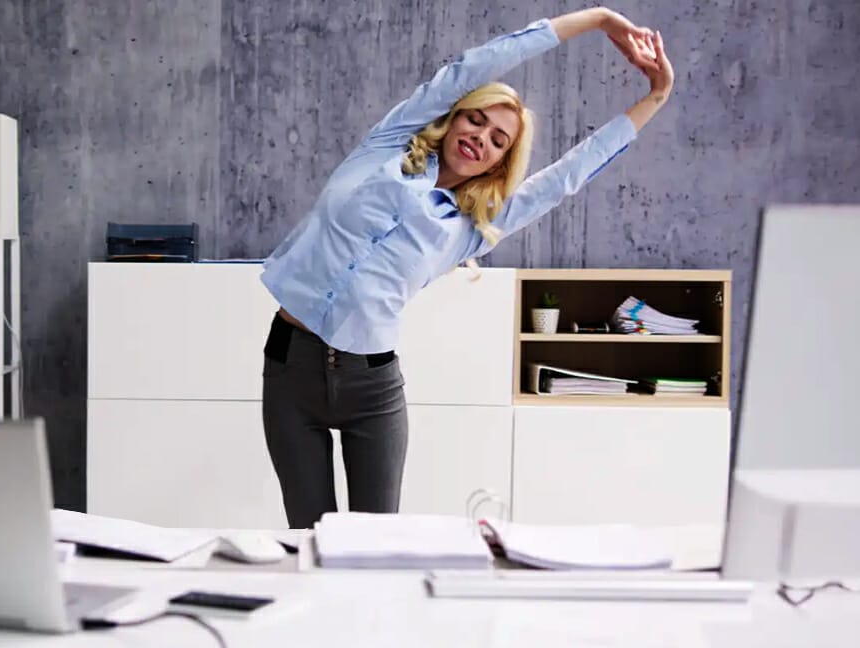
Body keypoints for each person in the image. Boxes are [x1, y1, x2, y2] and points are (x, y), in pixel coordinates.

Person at [259, 7, 675, 529]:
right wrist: (596, 20)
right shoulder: (386, 146)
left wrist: (655, 96)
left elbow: (568, 175)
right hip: (290, 368)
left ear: (500, 162)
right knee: (307, 535)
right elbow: (472, 65)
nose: (481, 135)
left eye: (499, 140)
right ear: (453, 117)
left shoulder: (472, 225)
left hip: (371, 388)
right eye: (476, 118)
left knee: (373, 547)